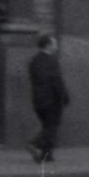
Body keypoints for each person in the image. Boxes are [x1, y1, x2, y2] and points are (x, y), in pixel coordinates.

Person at [27, 33, 69, 167]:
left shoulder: (34, 61)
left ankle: (47, 155)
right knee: (52, 126)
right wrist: (64, 96)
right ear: (49, 45)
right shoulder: (51, 61)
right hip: (52, 100)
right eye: (54, 44)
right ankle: (35, 144)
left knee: (47, 126)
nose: (56, 46)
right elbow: (56, 81)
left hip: (38, 100)